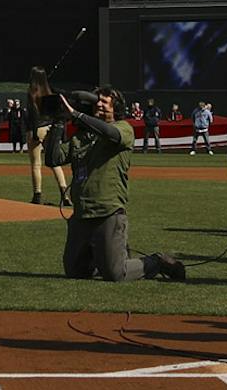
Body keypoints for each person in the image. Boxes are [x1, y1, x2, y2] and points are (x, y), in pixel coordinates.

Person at [46, 87, 186, 283]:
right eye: (97, 101)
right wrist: (59, 121)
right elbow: (53, 159)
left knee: (117, 274)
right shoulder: (81, 137)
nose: (99, 104)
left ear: (116, 108)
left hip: (107, 212)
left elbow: (110, 133)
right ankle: (103, 258)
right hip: (82, 214)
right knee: (75, 272)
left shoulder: (123, 128)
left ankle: (158, 262)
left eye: (105, 101)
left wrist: (76, 115)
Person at [24, 67, 70, 208]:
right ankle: (64, 193)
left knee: (36, 164)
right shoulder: (50, 92)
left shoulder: (31, 92)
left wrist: (36, 131)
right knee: (54, 162)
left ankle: (37, 194)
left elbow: (33, 114)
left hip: (36, 129)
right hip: (49, 127)